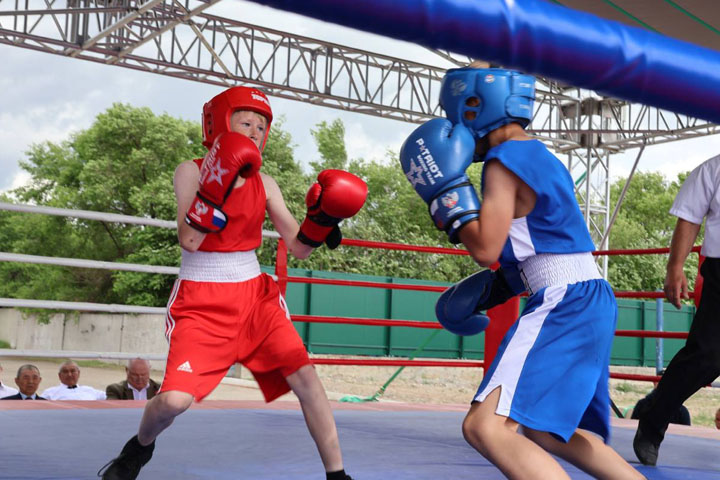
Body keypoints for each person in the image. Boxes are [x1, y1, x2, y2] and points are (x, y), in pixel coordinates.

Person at [98, 86, 367, 480]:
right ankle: (138, 448)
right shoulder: (190, 170)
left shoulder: (267, 182)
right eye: (246, 122)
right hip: (201, 298)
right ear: (220, 123)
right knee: (173, 402)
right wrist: (218, 183)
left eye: (262, 125)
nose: (256, 131)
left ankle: (337, 474)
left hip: (254, 295)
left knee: (306, 379)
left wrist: (322, 221)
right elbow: (190, 239)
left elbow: (299, 247)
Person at [400, 64, 644, 479]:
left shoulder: (503, 162)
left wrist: (446, 195)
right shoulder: (539, 155)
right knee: (547, 432)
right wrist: (500, 287)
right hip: (588, 295)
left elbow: (484, 247)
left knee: (484, 425)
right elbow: (546, 237)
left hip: (563, 299)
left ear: (473, 106)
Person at [633, 154, 720, 466]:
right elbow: (690, 217)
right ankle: (653, 420)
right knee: (707, 356)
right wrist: (675, 267)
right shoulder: (712, 170)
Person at [40, 360, 107, 400]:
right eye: (65, 372)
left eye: (73, 371)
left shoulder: (90, 390)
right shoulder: (50, 393)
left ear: (78, 373)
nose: (69, 374)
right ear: (59, 376)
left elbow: (111, 396)